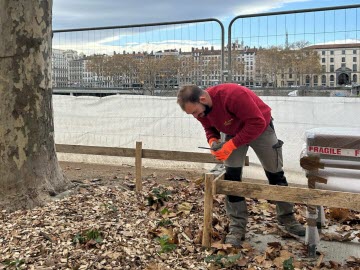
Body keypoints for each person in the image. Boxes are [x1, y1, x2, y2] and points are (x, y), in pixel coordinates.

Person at [177, 83, 305, 247]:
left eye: (195, 112)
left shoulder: (232, 95)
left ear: (202, 99)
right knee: (232, 179)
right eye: (192, 114)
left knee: (275, 174)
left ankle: (287, 218)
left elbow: (256, 123)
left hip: (260, 128)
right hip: (231, 131)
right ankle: (238, 226)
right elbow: (209, 129)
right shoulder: (202, 111)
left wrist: (230, 145)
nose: (196, 116)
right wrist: (213, 141)